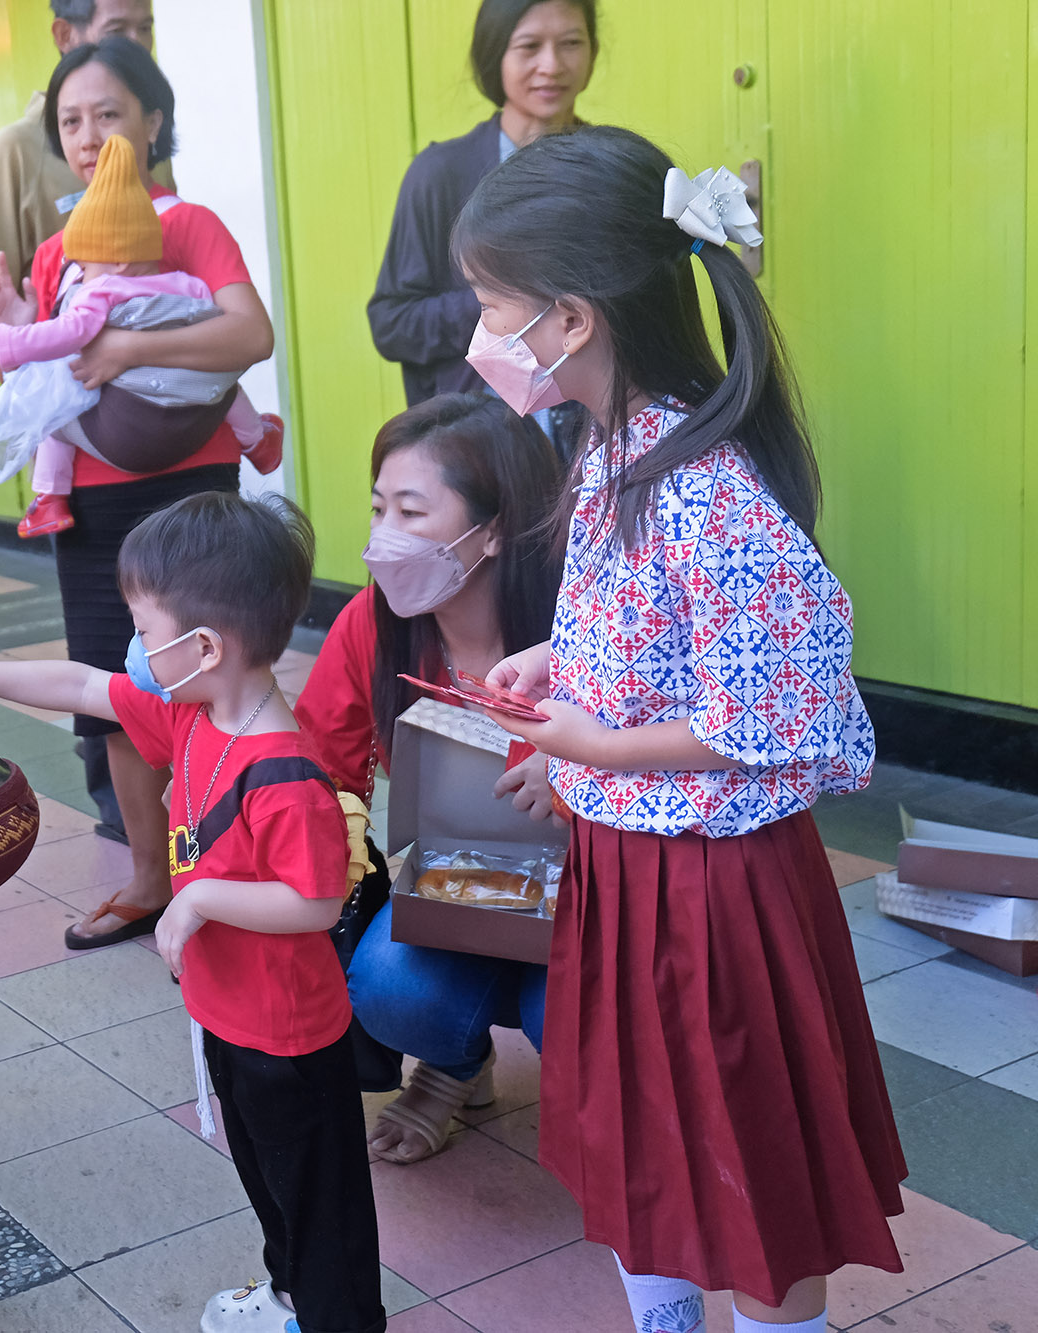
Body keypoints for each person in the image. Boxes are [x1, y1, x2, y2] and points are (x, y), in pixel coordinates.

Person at [456, 125, 904, 1333]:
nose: (482, 337)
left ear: (569, 318)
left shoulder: (703, 482)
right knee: (641, 1133)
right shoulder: (617, 445)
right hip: (631, 863)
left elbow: (777, 710)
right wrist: (567, 659)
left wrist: (589, 746)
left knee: (747, 1156)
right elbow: (672, 631)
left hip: (709, 888)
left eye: (493, 307)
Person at [0, 492, 387, 1333]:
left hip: (290, 1040)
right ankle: (291, 1296)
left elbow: (311, 903)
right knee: (270, 1186)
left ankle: (337, 1317)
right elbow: (85, 682)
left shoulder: (284, 772)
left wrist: (196, 896)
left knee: (320, 1207)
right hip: (231, 1018)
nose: (135, 644)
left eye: (143, 624)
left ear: (204, 646)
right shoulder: (195, 711)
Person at [0, 37, 275, 948]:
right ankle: (151, 877)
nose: (89, 134)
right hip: (95, 502)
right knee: (113, 690)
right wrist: (8, 329)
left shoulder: (189, 224)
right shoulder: (56, 249)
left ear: (152, 121)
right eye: (71, 120)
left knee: (214, 675)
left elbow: (249, 336)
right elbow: (42, 370)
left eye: (108, 114)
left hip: (191, 486)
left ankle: (233, 864)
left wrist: (132, 348)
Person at [293, 394, 561, 1164]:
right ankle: (451, 1063)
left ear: (498, 526)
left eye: (411, 511)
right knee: (385, 984)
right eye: (380, 508)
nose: (385, 539)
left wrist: (576, 768)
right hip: (454, 893)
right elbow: (324, 774)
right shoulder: (373, 624)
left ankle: (600, 1089)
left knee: (572, 1023)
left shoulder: (585, 620)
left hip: (588, 899)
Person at [0, 135, 282, 538]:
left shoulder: (100, 291)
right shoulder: (186, 284)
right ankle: (257, 439)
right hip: (194, 413)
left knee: (56, 410)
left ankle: (49, 496)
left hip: (129, 432)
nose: (81, 275)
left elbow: (70, 332)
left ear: (117, 260)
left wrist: (10, 338)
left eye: (85, 265)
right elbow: (221, 333)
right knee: (223, 381)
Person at [368, 0, 595, 413]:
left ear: (593, 52)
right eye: (529, 46)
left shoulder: (611, 169)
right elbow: (392, 324)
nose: (552, 64)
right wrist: (501, 304)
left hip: (598, 429)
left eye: (571, 43)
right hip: (479, 436)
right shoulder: (440, 173)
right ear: (495, 56)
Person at [0, 0, 160, 331]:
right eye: (116, 31)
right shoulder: (15, 149)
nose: (137, 44)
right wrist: (39, 383)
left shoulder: (144, 135)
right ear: (65, 35)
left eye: (145, 28)